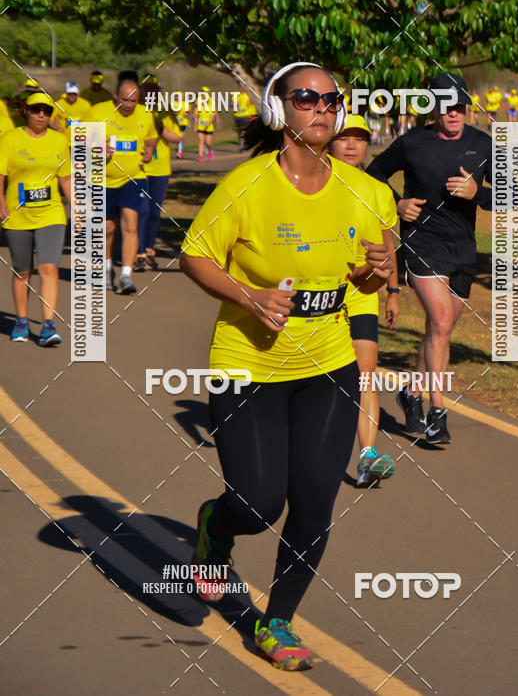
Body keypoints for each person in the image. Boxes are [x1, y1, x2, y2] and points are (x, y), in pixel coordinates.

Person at [180, 62, 395, 671]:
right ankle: (214, 530)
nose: (323, 108)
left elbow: (377, 274)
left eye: (332, 99)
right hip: (248, 363)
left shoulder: (368, 192)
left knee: (313, 503)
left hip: (328, 365)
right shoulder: (246, 186)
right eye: (306, 98)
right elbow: (195, 255)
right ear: (281, 111)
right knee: (255, 503)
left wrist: (380, 268)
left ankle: (278, 621)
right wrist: (250, 297)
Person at [367, 72, 492, 444]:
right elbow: (373, 175)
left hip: (463, 251)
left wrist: (476, 193)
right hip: (422, 244)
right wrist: (396, 204)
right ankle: (438, 412)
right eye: (445, 107)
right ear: (433, 108)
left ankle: (410, 392)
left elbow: (513, 195)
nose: (453, 114)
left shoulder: (483, 144)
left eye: (459, 107)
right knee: (438, 320)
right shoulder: (412, 143)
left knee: (440, 331)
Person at [329, 113, 399, 487]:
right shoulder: (314, 182)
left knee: (364, 373)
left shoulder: (378, 191)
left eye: (360, 138)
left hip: (362, 293)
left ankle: (367, 456)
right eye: (345, 138)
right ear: (329, 141)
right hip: (320, 293)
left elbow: (389, 247)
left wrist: (394, 291)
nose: (353, 145)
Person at [0, 90, 74, 345]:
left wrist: (76, 205)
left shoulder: (58, 140)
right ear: (25, 111)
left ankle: (48, 325)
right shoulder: (9, 139)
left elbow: (64, 177)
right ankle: (21, 321)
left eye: (46, 111)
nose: (41, 115)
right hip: (17, 214)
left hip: (51, 213)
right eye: (36, 110)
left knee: (48, 266)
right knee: (23, 270)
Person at [90, 77, 157, 294]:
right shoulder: (98, 112)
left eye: (133, 101)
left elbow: (151, 138)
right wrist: (97, 147)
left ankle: (126, 276)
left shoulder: (145, 115)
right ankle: (107, 269)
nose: (128, 105)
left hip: (134, 178)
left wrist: (148, 150)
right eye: (124, 100)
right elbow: (79, 139)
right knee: (107, 228)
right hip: (101, 180)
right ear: (115, 97)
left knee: (130, 224)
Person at [134, 81, 183, 271]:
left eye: (155, 89)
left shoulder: (165, 110)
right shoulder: (136, 111)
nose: (151, 92)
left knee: (154, 212)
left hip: (161, 169)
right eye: (148, 89)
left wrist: (161, 129)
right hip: (140, 169)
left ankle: (149, 250)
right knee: (141, 211)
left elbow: (178, 137)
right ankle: (138, 253)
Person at [194, 86, 218, 161]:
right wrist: (195, 126)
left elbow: (212, 116)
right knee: (201, 141)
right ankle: (200, 156)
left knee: (208, 143)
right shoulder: (199, 106)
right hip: (200, 126)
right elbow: (196, 117)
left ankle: (210, 151)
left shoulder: (211, 106)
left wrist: (209, 122)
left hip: (209, 127)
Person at [233, 86, 258, 151]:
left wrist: (253, 113)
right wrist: (234, 104)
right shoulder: (236, 95)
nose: (241, 89)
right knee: (239, 131)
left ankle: (243, 144)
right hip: (237, 115)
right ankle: (241, 142)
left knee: (243, 130)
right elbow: (231, 104)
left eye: (242, 87)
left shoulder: (247, 96)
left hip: (245, 115)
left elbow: (252, 105)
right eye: (240, 87)